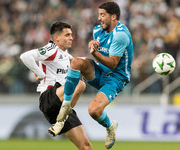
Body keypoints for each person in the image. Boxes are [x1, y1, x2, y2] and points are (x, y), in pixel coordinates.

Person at [52, 1, 134, 149]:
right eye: (99, 15)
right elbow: (99, 46)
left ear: (114, 17)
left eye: (103, 15)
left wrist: (94, 53)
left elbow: (113, 63)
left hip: (115, 78)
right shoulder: (98, 30)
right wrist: (93, 45)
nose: (99, 18)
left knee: (94, 111)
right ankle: (66, 105)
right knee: (76, 62)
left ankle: (110, 126)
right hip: (99, 70)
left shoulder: (121, 35)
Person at [20, 22, 92, 150]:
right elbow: (25, 56)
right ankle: (63, 117)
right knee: (80, 84)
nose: (71, 37)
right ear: (57, 38)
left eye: (71, 34)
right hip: (49, 98)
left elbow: (75, 61)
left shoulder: (65, 54)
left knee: (86, 147)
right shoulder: (51, 49)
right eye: (67, 35)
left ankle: (61, 120)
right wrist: (40, 74)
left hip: (62, 102)